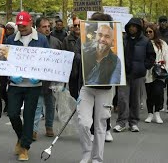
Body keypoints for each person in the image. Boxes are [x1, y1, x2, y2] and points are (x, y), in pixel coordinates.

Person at [6, 11, 49, 161]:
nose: (21, 28)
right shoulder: (10, 39)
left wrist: (39, 76)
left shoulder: (42, 39)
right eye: (19, 26)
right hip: (15, 84)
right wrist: (10, 76)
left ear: (31, 23)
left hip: (33, 85)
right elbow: (5, 61)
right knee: (12, 113)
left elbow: (47, 62)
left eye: (24, 25)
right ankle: (21, 138)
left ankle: (24, 147)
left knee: (29, 116)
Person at [77, 13, 117, 163]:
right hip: (86, 87)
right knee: (83, 122)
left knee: (100, 124)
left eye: (105, 34)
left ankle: (97, 159)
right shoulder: (84, 46)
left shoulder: (114, 56)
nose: (101, 37)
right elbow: (76, 62)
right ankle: (87, 152)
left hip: (105, 90)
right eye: (97, 32)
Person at [114, 18, 156, 133]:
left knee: (135, 100)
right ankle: (121, 122)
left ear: (138, 28)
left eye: (134, 26)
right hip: (124, 74)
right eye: (130, 26)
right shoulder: (123, 39)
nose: (132, 28)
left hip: (138, 75)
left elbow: (151, 56)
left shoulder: (145, 41)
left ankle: (133, 123)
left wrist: (144, 67)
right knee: (122, 99)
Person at [32, 17, 62, 141]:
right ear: (37, 28)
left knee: (50, 105)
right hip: (37, 80)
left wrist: (61, 80)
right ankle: (33, 129)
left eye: (49, 26)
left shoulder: (56, 42)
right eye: (44, 26)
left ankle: (49, 126)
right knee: (37, 106)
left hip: (51, 80)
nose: (48, 28)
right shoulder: (33, 41)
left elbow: (62, 60)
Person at [144, 23, 168, 123]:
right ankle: (150, 113)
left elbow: (166, 56)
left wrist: (165, 69)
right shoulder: (144, 43)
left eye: (150, 31)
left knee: (158, 92)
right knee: (149, 94)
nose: (148, 33)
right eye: (146, 32)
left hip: (159, 72)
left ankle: (157, 113)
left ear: (155, 32)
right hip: (147, 72)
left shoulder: (162, 43)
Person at [62, 19, 81, 99]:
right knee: (73, 95)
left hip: (84, 73)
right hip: (72, 72)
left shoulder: (88, 38)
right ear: (72, 27)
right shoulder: (67, 40)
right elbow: (64, 56)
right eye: (75, 25)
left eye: (79, 25)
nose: (77, 27)